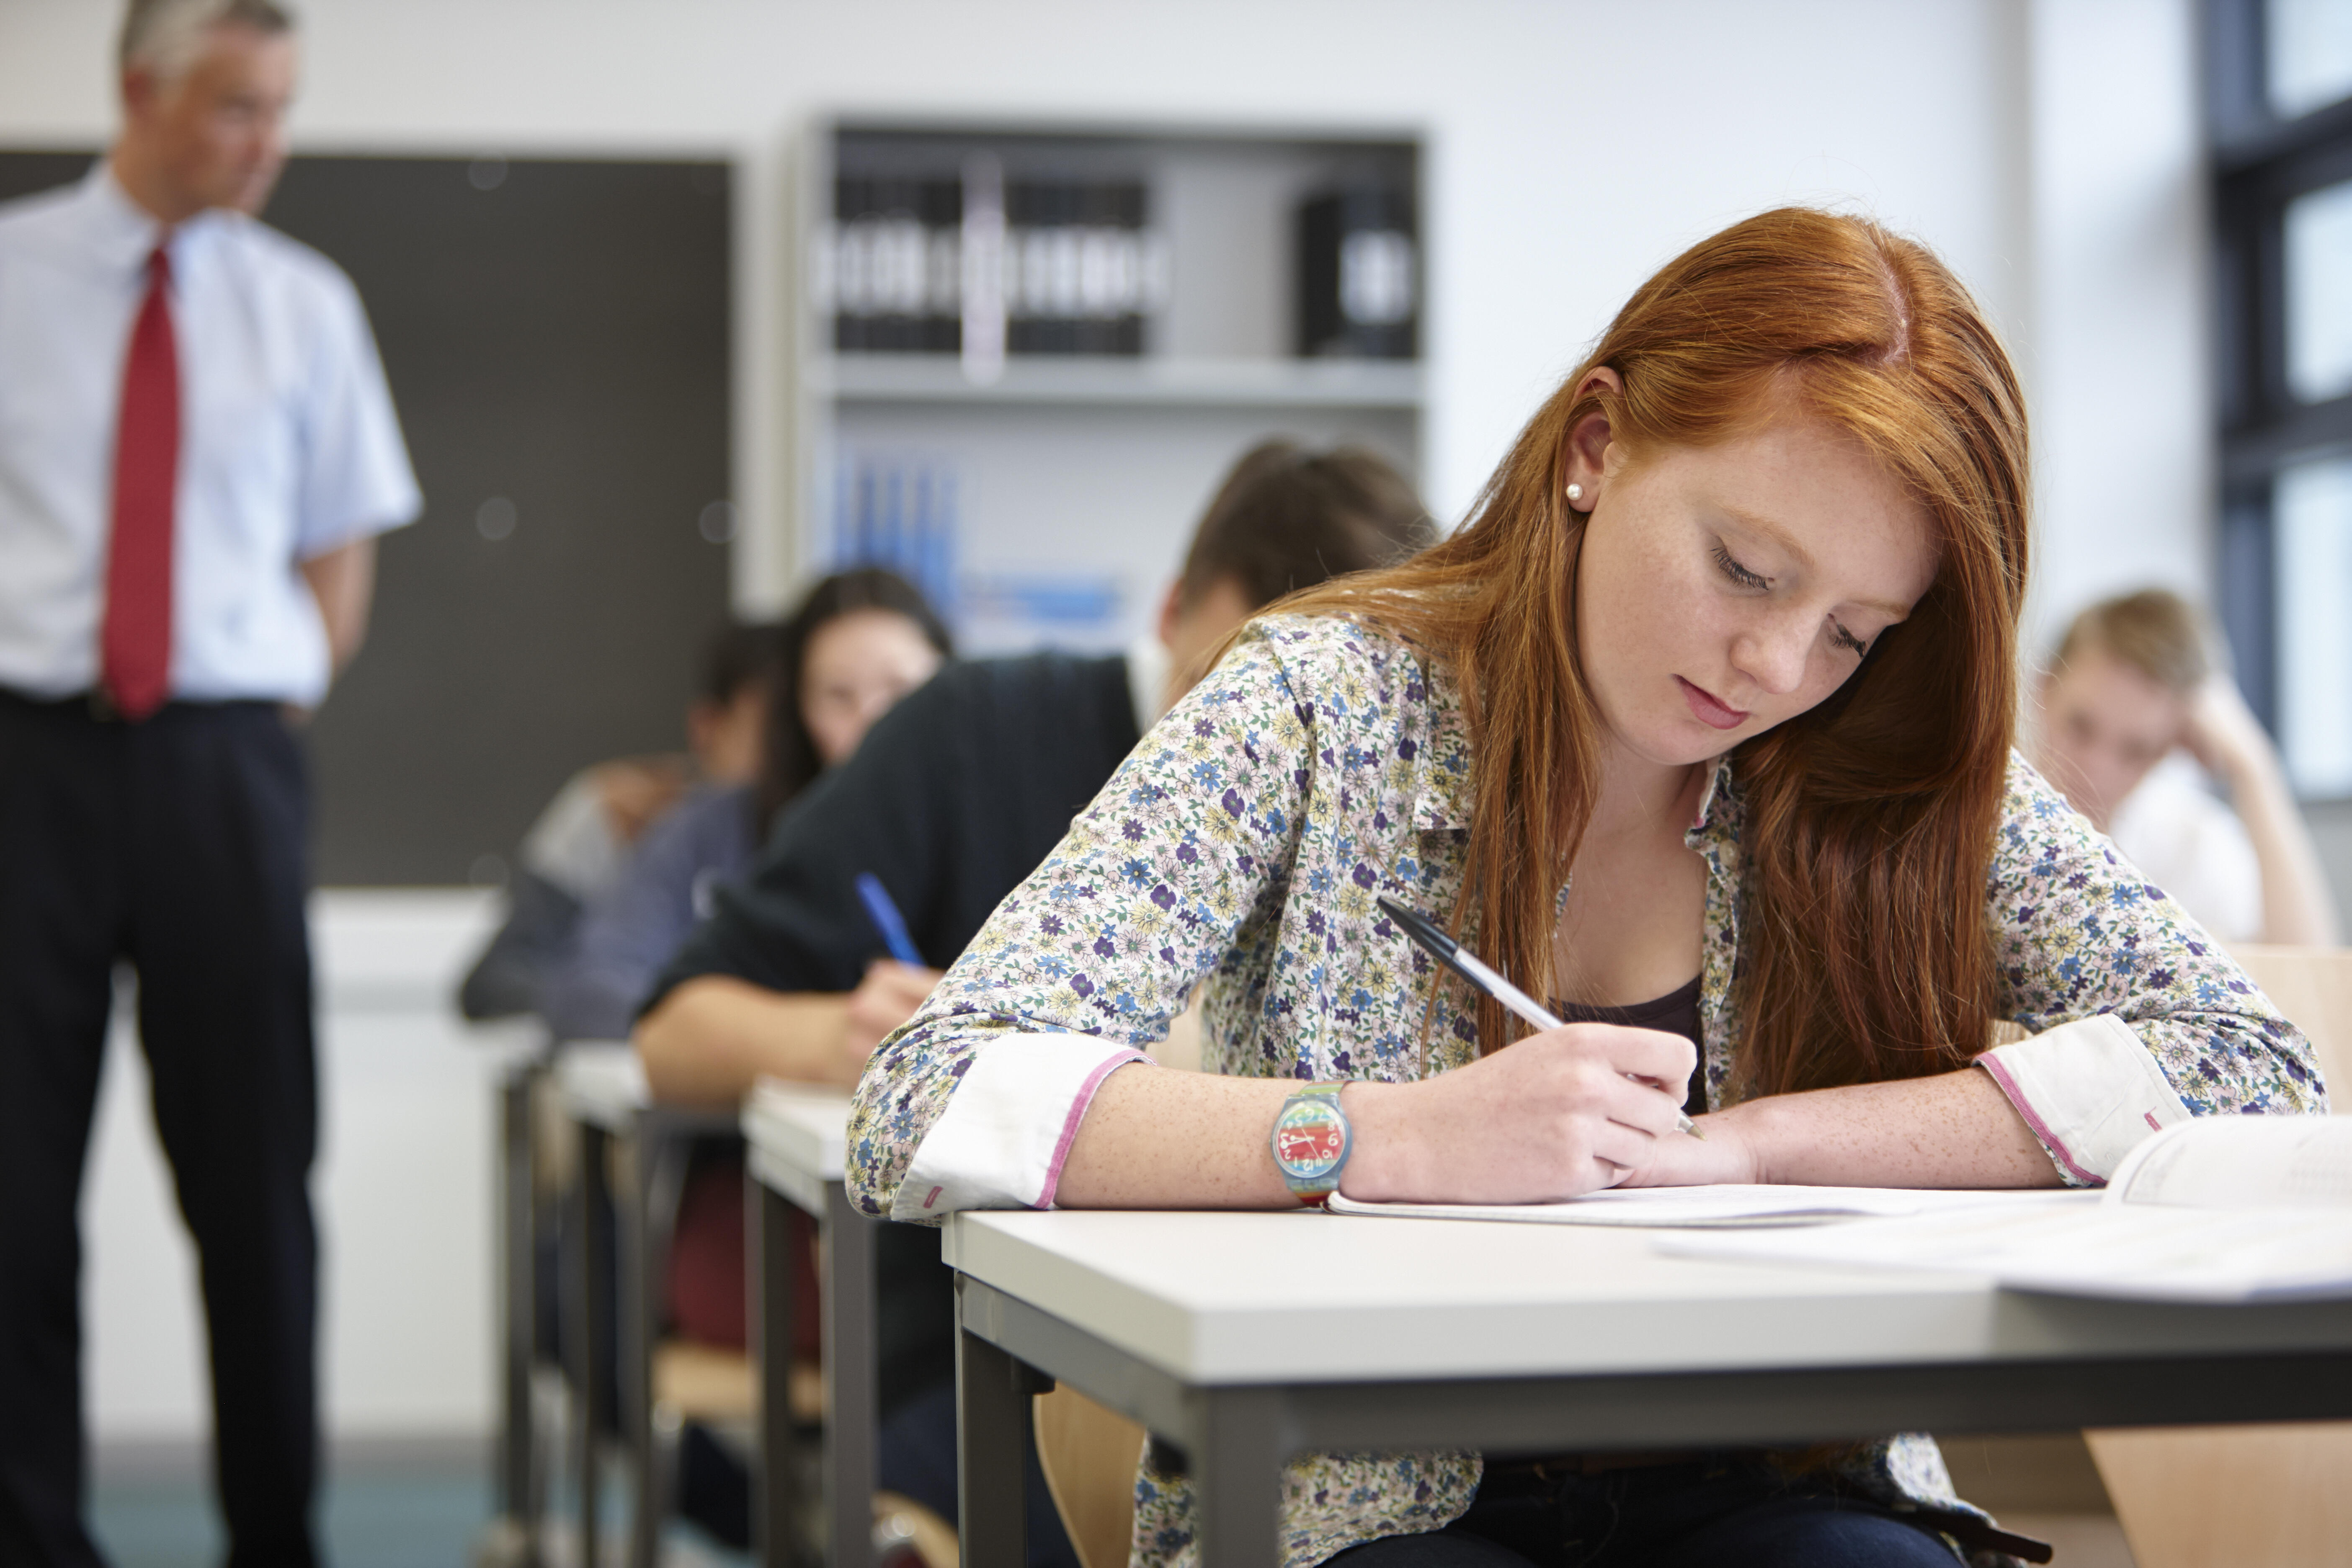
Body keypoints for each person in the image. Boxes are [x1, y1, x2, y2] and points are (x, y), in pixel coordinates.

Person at [843, 209, 2327, 1568]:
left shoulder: (1877, 755)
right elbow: (928, 1092)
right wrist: (1382, 1137)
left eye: (1852, 630)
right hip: (1374, 1501)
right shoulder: (1316, 702)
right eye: (1745, 568)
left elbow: (2247, 1064)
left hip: (1781, 1481)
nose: (1774, 670)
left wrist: (1747, 1150)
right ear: (1596, 444)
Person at [635, 439, 1438, 1563]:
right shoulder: (970, 731)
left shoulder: (1404, 791)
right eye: (1244, 686)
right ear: (1170, 611)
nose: (1269, 750)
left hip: (1306, 1366)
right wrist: (842, 1035)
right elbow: (670, 1036)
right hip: (995, 1366)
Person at [0, 3, 420, 1564]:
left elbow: (337, 573)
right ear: (140, 94)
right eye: (237, 107)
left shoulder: (308, 307)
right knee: (15, 1194)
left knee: (254, 1191)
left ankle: (273, 1543)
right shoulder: (13, 275)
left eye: (281, 105)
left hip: (223, 768)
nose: (268, 141)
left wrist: (252, 718)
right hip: (25, 762)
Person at [539, 570, 951, 1042]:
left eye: (900, 692)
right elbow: (595, 986)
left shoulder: (1010, 838)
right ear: (798, 712)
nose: (873, 723)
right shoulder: (714, 831)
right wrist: (767, 1037)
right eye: (839, 696)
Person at [457, 619, 781, 1024]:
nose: (784, 765)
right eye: (772, 737)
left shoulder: (821, 837)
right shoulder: (615, 812)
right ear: (708, 728)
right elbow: (496, 981)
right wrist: (609, 1003)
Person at [2031, 587, 2340, 947]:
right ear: (2042, 688)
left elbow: (2308, 975)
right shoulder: (1977, 809)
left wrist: (2254, 770)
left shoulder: (2194, 847)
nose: (2096, 767)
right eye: (2080, 727)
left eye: (2136, 750)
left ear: (2173, 746)